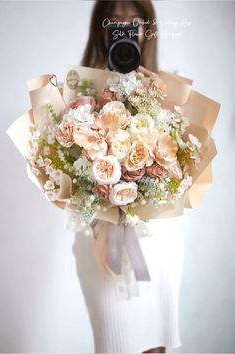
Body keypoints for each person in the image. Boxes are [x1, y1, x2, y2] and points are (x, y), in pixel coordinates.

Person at [72, 1, 185, 353]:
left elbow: (186, 167)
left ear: (147, 28)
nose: (124, 27)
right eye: (114, 20)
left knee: (156, 344)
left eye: (134, 20)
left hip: (158, 235)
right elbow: (61, 168)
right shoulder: (77, 92)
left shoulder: (169, 87)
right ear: (100, 29)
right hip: (100, 236)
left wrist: (165, 104)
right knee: (114, 344)